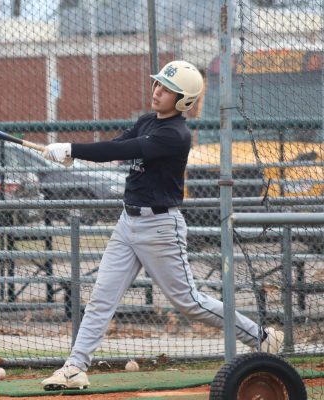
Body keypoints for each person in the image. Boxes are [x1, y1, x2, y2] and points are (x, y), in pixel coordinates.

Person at [40, 60, 284, 391]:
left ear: (183, 100)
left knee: (190, 303)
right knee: (101, 297)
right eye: (157, 84)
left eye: (167, 89)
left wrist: (71, 148)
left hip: (160, 228)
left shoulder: (175, 135)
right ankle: (75, 367)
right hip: (128, 223)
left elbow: (124, 148)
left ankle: (262, 337)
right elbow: (116, 149)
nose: (157, 91)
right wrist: (74, 156)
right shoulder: (146, 121)